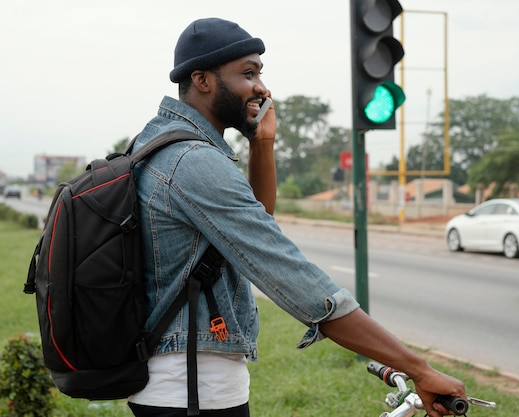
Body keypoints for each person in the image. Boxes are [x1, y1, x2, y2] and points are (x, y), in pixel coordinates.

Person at [127, 17, 465, 417]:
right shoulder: (193, 161)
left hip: (177, 379)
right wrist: (418, 368)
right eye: (247, 73)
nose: (261, 87)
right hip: (194, 387)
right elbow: (284, 269)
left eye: (260, 73)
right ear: (202, 80)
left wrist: (263, 143)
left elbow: (249, 225)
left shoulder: (155, 142)